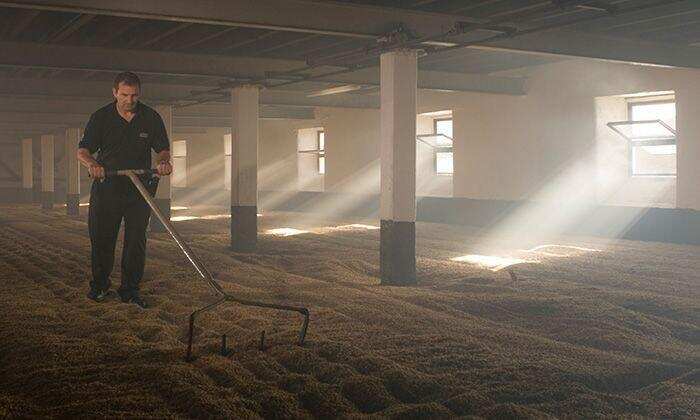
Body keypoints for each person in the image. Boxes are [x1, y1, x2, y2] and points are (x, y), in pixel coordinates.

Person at [77, 71, 172, 309]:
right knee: (102, 239)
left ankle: (130, 291)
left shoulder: (150, 117)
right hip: (107, 185)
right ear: (114, 93)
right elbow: (83, 150)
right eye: (124, 95)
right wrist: (93, 164)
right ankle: (99, 287)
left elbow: (162, 149)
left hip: (139, 188)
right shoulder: (101, 118)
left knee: (136, 241)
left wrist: (162, 162)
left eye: (134, 95)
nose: (129, 100)